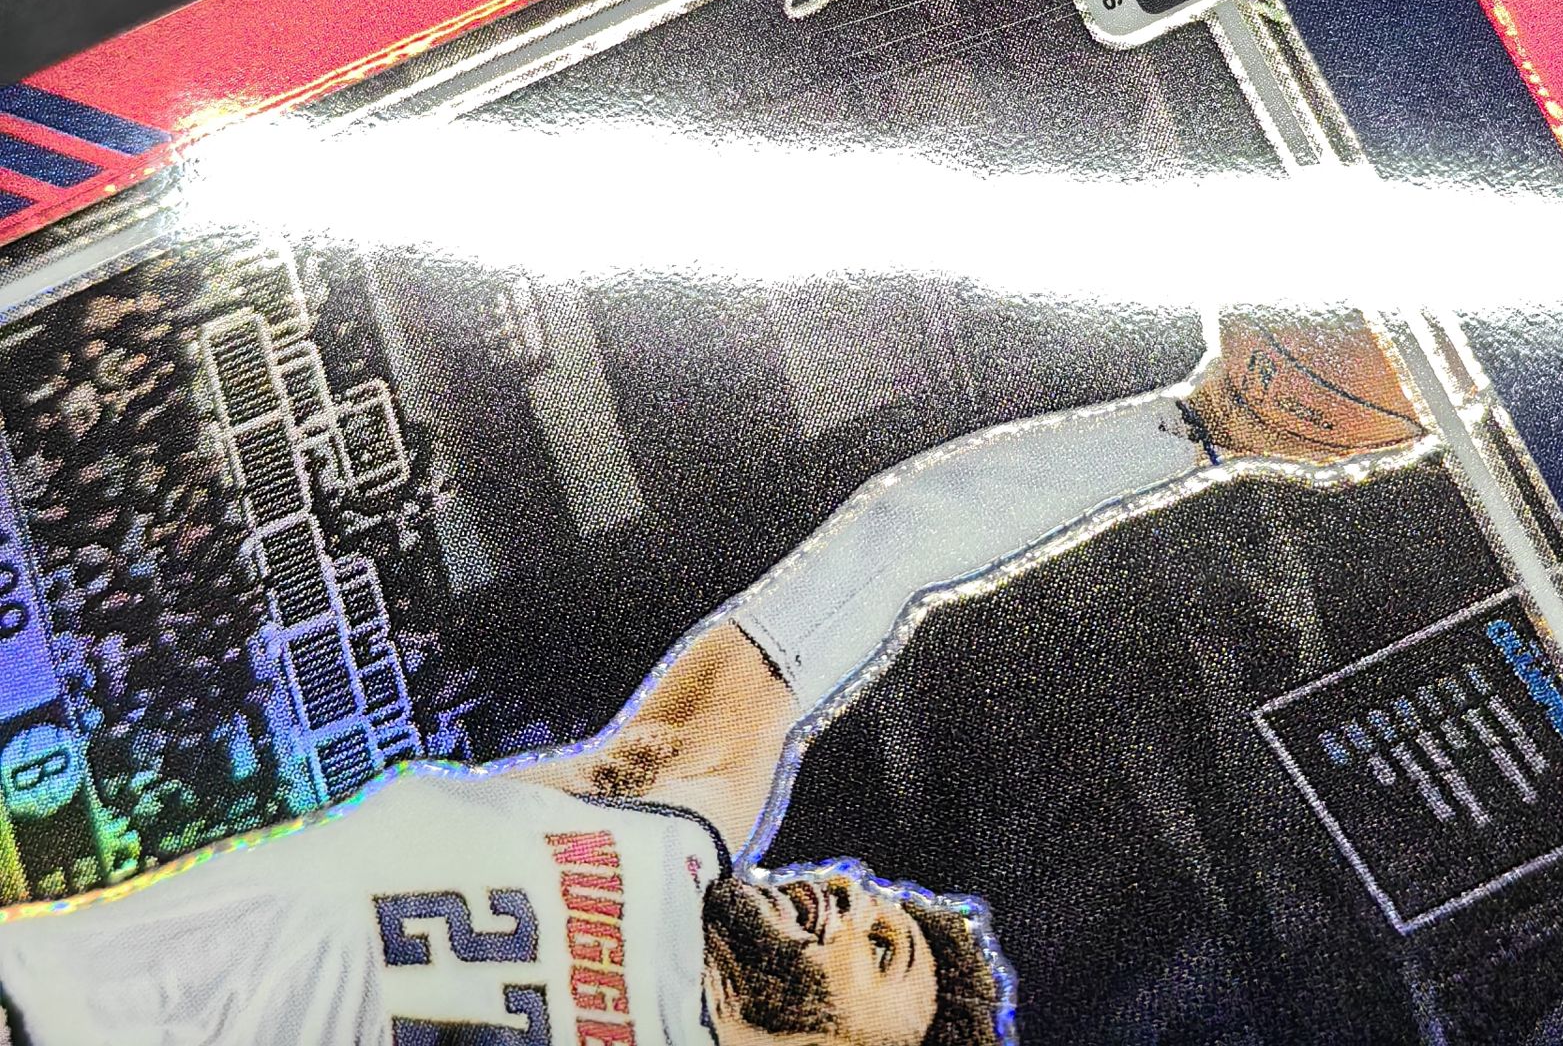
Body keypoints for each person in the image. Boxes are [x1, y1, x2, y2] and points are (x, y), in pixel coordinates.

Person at [0, 305, 1421, 1046]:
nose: (852, 901)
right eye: (876, 905)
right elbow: (896, 545)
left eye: (881, 952)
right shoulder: (656, 825)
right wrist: (1196, 430)